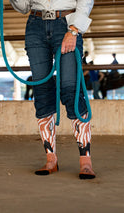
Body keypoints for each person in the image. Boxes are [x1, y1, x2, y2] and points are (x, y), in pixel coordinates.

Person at [10, 0, 95, 179]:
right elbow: (23, 6)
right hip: (35, 24)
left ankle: (85, 160)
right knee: (41, 91)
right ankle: (51, 158)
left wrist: (73, 30)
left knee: (71, 89)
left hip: (66, 23)